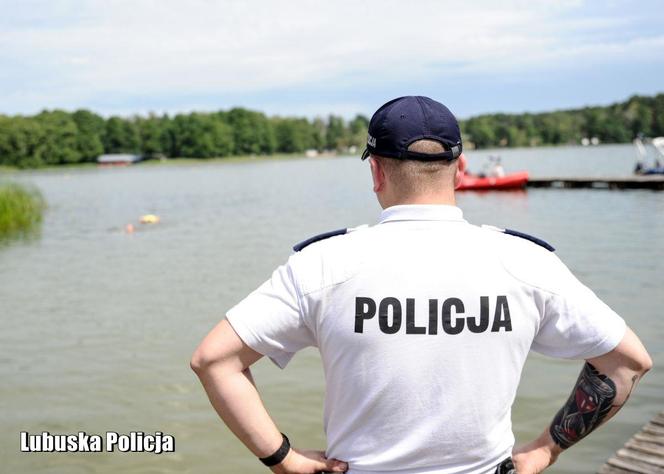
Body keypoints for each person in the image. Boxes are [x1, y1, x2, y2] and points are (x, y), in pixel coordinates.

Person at [191, 96, 652, 474]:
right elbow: (627, 362)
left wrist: (283, 458)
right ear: (460, 168)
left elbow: (214, 361)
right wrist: (545, 449)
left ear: (376, 172)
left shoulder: (322, 265)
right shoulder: (526, 261)